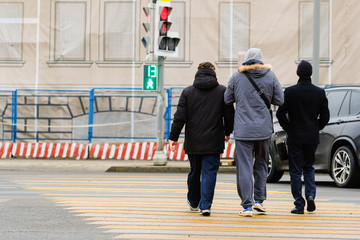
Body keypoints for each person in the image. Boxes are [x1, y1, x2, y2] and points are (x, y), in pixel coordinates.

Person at [168, 62, 234, 216]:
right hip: (214, 140)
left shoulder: (188, 92)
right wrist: (227, 131)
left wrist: (173, 137)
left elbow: (179, 117)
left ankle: (193, 202)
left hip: (193, 141)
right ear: (213, 73)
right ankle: (206, 206)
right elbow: (229, 115)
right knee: (209, 173)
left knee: (194, 171)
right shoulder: (222, 91)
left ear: (198, 73)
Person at [224, 48, 284, 217]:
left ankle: (247, 206)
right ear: (261, 60)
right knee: (262, 164)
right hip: (264, 130)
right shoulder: (271, 76)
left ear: (246, 60)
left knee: (244, 167)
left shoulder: (236, 77)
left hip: (243, 130)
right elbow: (280, 100)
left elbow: (227, 99)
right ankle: (259, 200)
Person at [276, 60, 329, 214]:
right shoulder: (319, 92)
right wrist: (316, 127)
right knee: (309, 167)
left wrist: (289, 128)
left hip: (295, 137)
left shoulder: (290, 92)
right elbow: (325, 115)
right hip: (311, 137)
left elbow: (280, 113)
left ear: (298, 73)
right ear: (311, 74)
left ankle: (299, 204)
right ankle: (311, 195)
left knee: (295, 171)